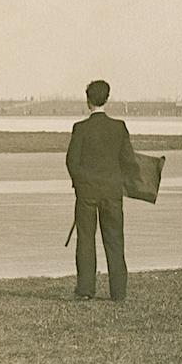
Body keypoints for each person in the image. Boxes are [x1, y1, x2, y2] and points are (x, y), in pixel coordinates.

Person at [66, 79, 135, 301]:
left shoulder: (80, 128)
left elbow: (71, 162)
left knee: (85, 240)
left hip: (87, 193)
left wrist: (80, 185)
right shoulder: (119, 127)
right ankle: (118, 292)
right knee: (115, 240)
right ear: (108, 99)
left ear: (88, 101)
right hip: (112, 192)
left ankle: (85, 290)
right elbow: (128, 161)